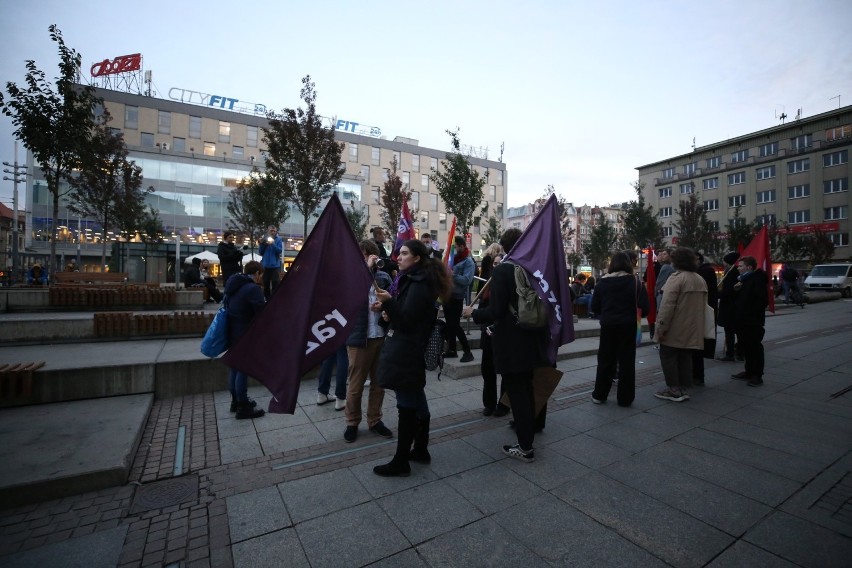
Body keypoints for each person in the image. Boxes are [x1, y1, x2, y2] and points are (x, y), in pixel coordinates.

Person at [464, 228, 547, 463]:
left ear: (503, 247)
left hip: (512, 342)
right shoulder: (532, 268)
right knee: (527, 390)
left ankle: (525, 446)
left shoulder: (503, 271)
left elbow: (496, 311)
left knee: (518, 393)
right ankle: (527, 437)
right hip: (532, 337)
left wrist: (474, 314)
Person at [373, 239, 452, 476]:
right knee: (416, 397)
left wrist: (389, 303)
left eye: (405, 253)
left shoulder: (419, 283)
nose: (399, 256)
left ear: (417, 258)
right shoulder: (413, 279)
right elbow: (405, 315)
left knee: (406, 405)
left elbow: (407, 321)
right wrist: (387, 311)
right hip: (407, 348)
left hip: (407, 351)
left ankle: (400, 461)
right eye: (399, 252)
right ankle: (420, 449)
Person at [343, 239, 394, 443]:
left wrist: (383, 307)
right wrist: (365, 270)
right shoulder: (351, 277)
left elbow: (392, 301)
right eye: (364, 255)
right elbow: (347, 300)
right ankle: (352, 422)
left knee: (379, 383)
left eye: (371, 255)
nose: (368, 259)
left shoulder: (382, 277)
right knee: (355, 385)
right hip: (358, 338)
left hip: (379, 336)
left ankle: (375, 420)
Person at [591, 252, 649, 406]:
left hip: (608, 326)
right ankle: (625, 398)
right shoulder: (636, 282)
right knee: (627, 362)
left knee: (605, 360)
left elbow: (594, 307)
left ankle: (600, 394)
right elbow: (646, 307)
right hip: (628, 326)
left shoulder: (602, 283)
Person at [653, 247, 707, 402]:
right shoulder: (699, 278)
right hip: (692, 326)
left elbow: (667, 305)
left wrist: (661, 326)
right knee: (685, 356)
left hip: (675, 325)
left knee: (668, 356)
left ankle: (673, 389)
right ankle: (683, 387)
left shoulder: (676, 278)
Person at [223, 260, 266, 419]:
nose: (260, 278)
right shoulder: (252, 289)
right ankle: (243, 406)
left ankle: (235, 401)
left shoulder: (233, 286)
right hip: (245, 334)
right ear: (256, 274)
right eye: (260, 275)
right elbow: (262, 313)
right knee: (242, 369)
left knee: (234, 368)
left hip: (232, 332)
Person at [477, 243, 508, 417]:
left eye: (500, 264)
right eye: (494, 264)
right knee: (487, 370)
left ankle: (503, 405)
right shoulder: (487, 287)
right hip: (488, 333)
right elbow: (484, 307)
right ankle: (489, 404)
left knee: (504, 371)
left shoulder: (509, 286)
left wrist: (475, 314)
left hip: (502, 334)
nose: (496, 267)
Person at [731, 255, 768, 387]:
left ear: (749, 267)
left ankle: (757, 375)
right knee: (746, 347)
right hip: (742, 321)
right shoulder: (744, 280)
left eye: (740, 266)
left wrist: (748, 313)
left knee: (755, 348)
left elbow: (761, 301)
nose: (738, 269)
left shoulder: (757, 280)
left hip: (752, 321)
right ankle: (748, 371)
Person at [444, 235, 475, 363]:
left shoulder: (468, 262)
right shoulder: (453, 259)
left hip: (456, 297)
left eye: (455, 247)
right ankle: (452, 350)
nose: (454, 249)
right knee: (450, 325)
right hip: (447, 295)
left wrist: (452, 275)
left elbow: (467, 280)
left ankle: (468, 351)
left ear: (462, 246)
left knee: (455, 325)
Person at [692, 253, 719, 385]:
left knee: (697, 345)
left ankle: (697, 376)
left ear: (697, 259)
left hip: (700, 311)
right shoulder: (701, 272)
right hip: (697, 311)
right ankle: (695, 375)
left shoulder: (705, 272)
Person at [716, 252, 741, 361]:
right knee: (736, 331)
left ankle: (730, 353)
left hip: (729, 306)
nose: (723, 263)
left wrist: (717, 293)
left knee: (730, 331)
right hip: (734, 306)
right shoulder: (733, 272)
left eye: (724, 261)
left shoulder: (731, 273)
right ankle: (739, 352)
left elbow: (728, 291)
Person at [258, 225, 283, 300]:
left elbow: (279, 251)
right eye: (271, 231)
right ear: (268, 231)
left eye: (274, 231)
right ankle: (267, 300)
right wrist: (262, 244)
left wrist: (273, 244)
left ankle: (274, 300)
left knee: (276, 283)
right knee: (266, 284)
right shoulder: (264, 239)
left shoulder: (278, 239)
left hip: (275, 266)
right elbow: (261, 252)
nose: (273, 232)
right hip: (265, 266)